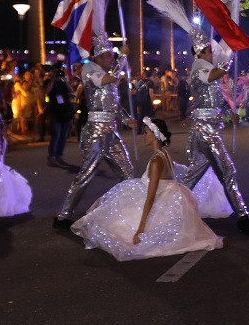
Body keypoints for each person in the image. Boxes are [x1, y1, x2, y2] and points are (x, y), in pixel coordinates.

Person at [71, 117, 222, 261]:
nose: (143, 136)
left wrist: (141, 228)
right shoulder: (165, 154)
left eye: (145, 133)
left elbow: (151, 196)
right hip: (171, 196)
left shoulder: (157, 160)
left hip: (161, 199)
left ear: (155, 135)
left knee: (114, 226)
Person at [53, 35, 135, 228]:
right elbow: (108, 79)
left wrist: (125, 118)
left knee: (127, 171)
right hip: (96, 132)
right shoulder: (90, 69)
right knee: (86, 173)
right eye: (107, 56)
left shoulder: (107, 73)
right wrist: (122, 58)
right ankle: (63, 216)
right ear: (97, 57)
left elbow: (113, 104)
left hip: (110, 132)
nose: (111, 59)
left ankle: (128, 209)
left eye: (111, 56)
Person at [179, 34, 249, 234]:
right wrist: (229, 57)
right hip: (206, 131)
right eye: (210, 50)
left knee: (191, 177)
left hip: (206, 129)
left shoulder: (204, 68)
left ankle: (170, 210)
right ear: (200, 52)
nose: (213, 54)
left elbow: (213, 96)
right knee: (228, 172)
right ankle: (243, 217)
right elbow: (211, 76)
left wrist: (229, 112)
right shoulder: (199, 67)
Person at [45, 67, 75, 167]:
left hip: (65, 111)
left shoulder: (63, 82)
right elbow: (47, 91)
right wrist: (53, 80)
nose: (58, 75)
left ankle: (58, 156)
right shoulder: (49, 82)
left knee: (63, 136)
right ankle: (52, 157)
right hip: (55, 112)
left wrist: (65, 79)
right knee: (56, 135)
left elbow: (71, 91)